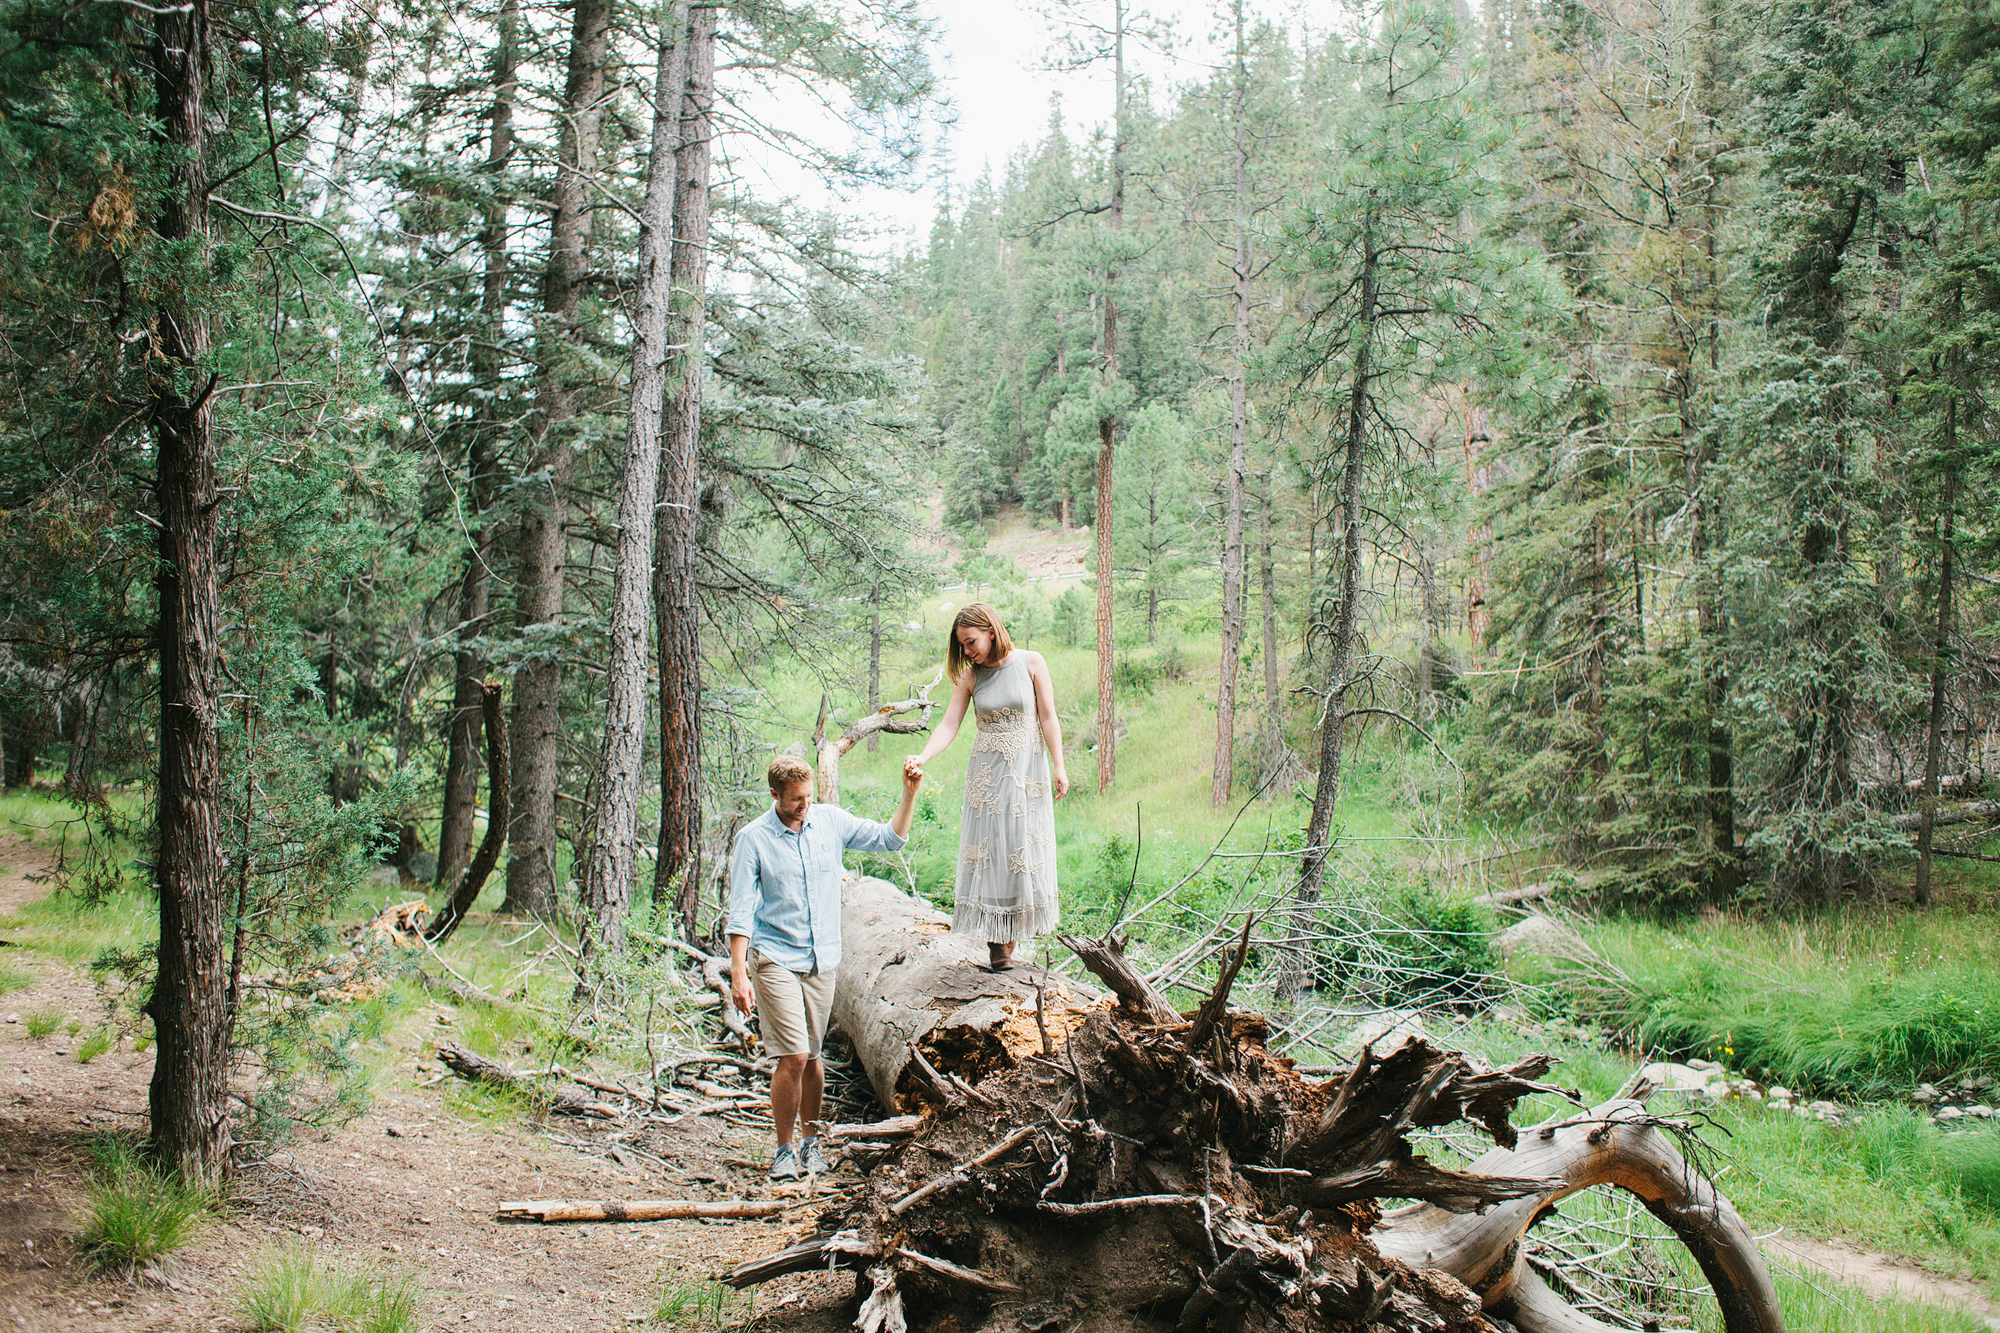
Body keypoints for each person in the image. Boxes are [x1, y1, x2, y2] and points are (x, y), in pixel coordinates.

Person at [728, 753, 921, 1181]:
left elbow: (889, 839)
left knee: (813, 1056)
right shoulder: (753, 839)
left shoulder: (828, 821)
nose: (804, 806)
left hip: (822, 957)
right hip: (774, 955)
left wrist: (909, 795)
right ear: (774, 794)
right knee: (793, 1056)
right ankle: (783, 1151)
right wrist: (738, 973)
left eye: (809, 796)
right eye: (795, 800)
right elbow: (740, 912)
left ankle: (812, 1144)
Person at [903, 602, 1067, 972]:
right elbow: (948, 725)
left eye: (971, 641)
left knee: (1021, 843)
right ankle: (998, 944)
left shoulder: (1031, 662)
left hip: (1027, 769)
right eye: (961, 645)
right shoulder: (971, 677)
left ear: (991, 631)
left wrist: (1059, 765)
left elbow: (1048, 716)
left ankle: (1013, 933)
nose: (967, 651)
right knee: (994, 847)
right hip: (988, 773)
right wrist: (923, 757)